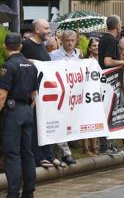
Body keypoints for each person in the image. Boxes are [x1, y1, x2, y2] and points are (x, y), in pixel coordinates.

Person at [0, 33, 38, 198]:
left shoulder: (7, 66)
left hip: (13, 111)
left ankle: (13, 193)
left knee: (12, 153)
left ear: (4, 46)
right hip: (27, 111)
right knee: (27, 152)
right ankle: (29, 192)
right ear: (20, 46)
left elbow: (2, 95)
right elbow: (34, 94)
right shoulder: (31, 65)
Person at [21, 19, 63, 168]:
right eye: (45, 28)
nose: (49, 31)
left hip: (46, 95)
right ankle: (39, 157)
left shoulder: (43, 46)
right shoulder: (27, 45)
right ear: (37, 30)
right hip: (35, 94)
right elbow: (23, 65)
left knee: (46, 125)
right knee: (36, 126)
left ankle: (48, 155)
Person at [98, 15, 124, 155]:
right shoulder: (110, 40)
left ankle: (106, 144)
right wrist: (122, 63)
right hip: (109, 81)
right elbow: (108, 61)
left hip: (105, 80)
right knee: (108, 112)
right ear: (117, 26)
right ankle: (106, 145)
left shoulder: (104, 38)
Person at [49, 30, 80, 165]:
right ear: (62, 40)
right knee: (59, 124)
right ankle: (66, 154)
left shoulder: (77, 54)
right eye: (67, 40)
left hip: (72, 96)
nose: (70, 43)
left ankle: (57, 155)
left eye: (73, 40)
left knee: (66, 125)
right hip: (58, 95)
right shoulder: (54, 55)